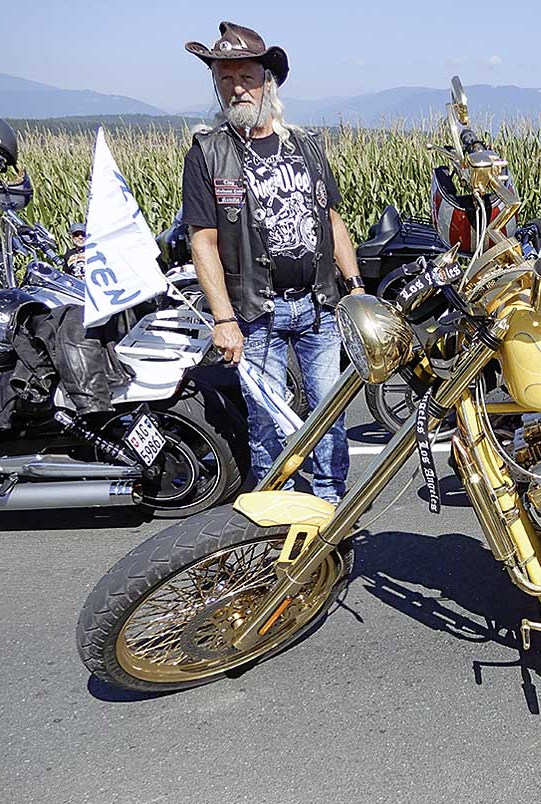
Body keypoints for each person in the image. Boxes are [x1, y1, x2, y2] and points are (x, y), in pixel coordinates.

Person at [181, 21, 366, 503]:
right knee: (266, 417)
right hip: (254, 312)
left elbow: (331, 219)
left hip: (320, 303)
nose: (236, 88)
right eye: (225, 78)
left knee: (329, 411)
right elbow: (203, 242)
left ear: (268, 82)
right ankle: (273, 507)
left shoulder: (306, 146)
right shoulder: (207, 154)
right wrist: (223, 319)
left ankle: (330, 505)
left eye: (246, 76)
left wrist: (356, 286)